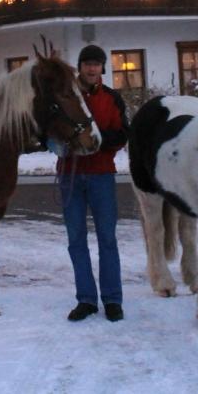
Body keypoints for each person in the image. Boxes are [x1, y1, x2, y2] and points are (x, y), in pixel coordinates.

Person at [57, 44, 129, 322]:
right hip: (70, 175)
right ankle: (86, 299)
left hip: (101, 175)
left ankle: (112, 299)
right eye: (87, 63)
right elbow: (49, 130)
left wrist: (96, 142)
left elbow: (123, 134)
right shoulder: (64, 96)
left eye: (96, 64)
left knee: (107, 239)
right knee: (76, 240)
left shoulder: (112, 98)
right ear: (80, 67)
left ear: (102, 68)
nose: (91, 68)